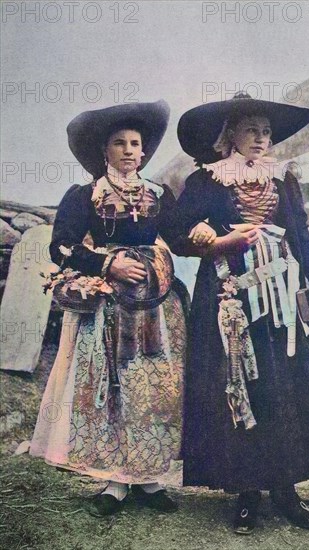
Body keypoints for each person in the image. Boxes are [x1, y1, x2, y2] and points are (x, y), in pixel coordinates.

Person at [174, 92, 309, 534]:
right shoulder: (205, 182)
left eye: (266, 131)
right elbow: (176, 233)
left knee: (283, 381)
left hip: (281, 296)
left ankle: (285, 489)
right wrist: (204, 233)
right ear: (230, 134)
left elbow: (302, 235)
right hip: (229, 296)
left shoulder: (284, 179)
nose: (261, 138)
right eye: (252, 129)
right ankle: (247, 490)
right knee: (241, 382)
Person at [30, 100, 187, 517]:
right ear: (105, 151)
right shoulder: (84, 196)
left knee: (150, 390)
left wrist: (211, 236)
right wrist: (107, 263)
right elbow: (60, 245)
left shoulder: (159, 194)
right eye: (120, 143)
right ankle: (115, 482)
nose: (130, 150)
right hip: (107, 310)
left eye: (136, 143)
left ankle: (150, 480)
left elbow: (181, 237)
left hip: (154, 311)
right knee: (113, 389)